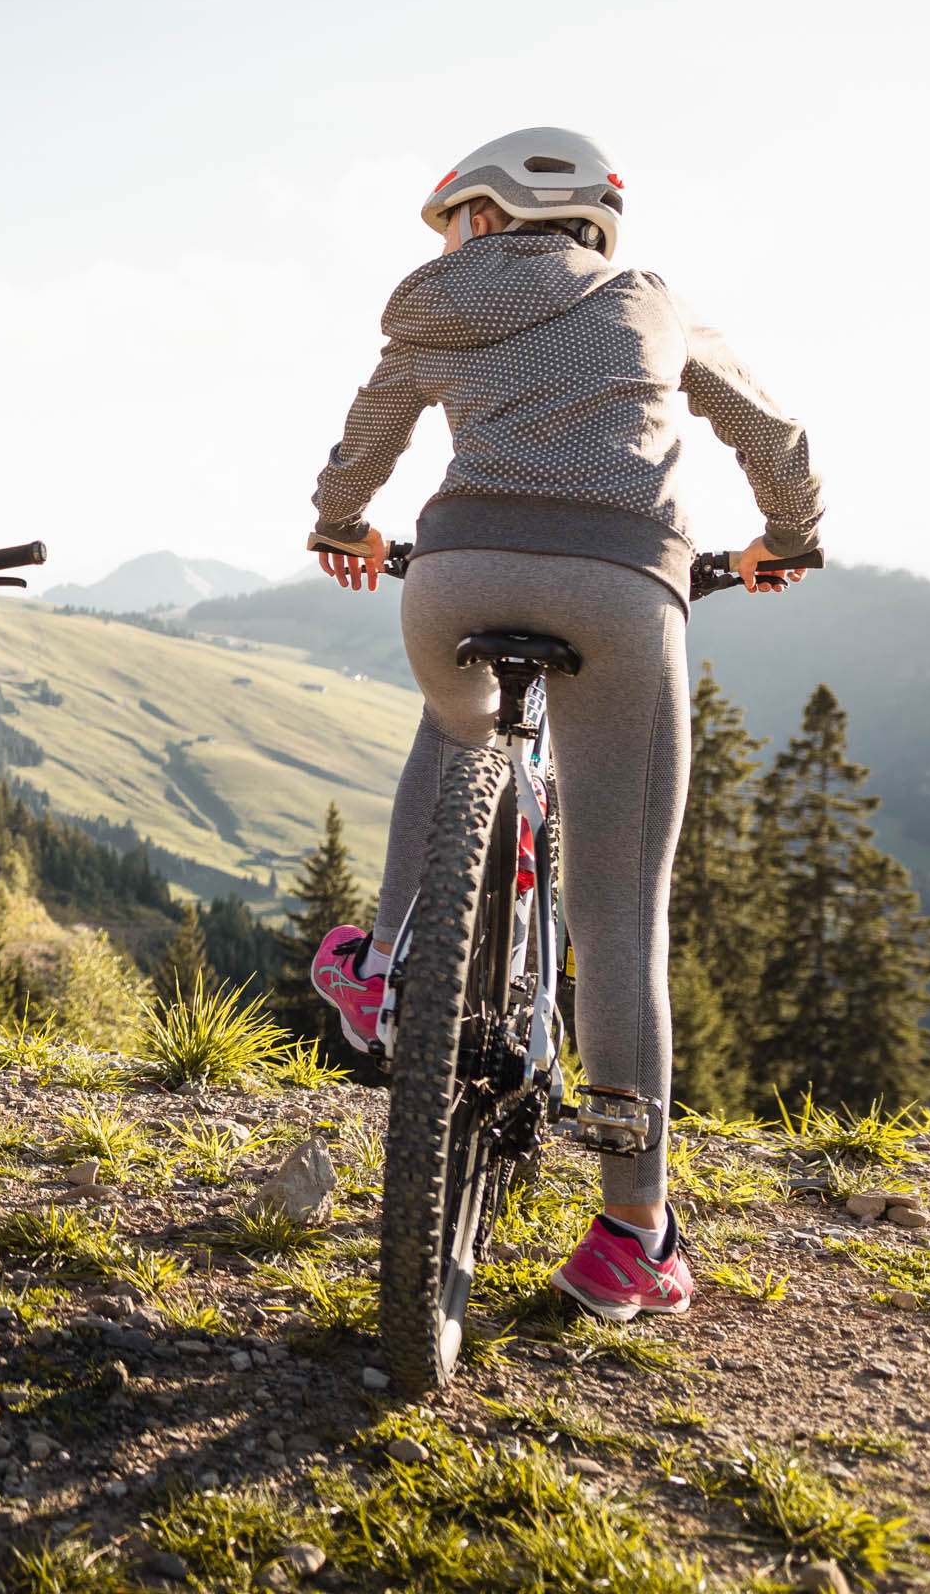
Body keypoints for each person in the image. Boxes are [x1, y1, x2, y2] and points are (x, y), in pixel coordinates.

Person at [302, 127, 821, 1322]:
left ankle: (383, 968)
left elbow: (363, 449)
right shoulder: (648, 299)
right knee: (620, 907)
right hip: (622, 586)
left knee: (453, 726)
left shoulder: (434, 304)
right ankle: (631, 1232)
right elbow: (771, 435)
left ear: (489, 214)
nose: (451, 246)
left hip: (454, 576)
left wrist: (341, 525)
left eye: (456, 224)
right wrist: (788, 537)